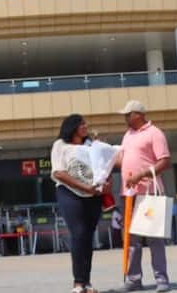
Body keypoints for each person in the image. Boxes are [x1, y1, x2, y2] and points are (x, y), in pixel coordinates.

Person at [117, 100, 171, 293]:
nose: (125, 118)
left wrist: (142, 174)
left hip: (150, 193)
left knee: (154, 239)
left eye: (127, 115)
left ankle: (161, 279)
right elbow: (121, 160)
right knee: (131, 240)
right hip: (128, 194)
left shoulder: (154, 133)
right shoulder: (127, 135)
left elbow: (164, 162)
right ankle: (133, 280)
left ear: (138, 114)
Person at [52, 113, 107, 293]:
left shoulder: (92, 145)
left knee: (87, 237)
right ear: (72, 127)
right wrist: (83, 187)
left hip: (94, 194)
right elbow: (59, 173)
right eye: (82, 124)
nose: (86, 126)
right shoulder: (60, 145)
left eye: (85, 124)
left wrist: (105, 184)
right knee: (79, 234)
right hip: (70, 193)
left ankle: (87, 282)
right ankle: (78, 283)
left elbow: (104, 168)